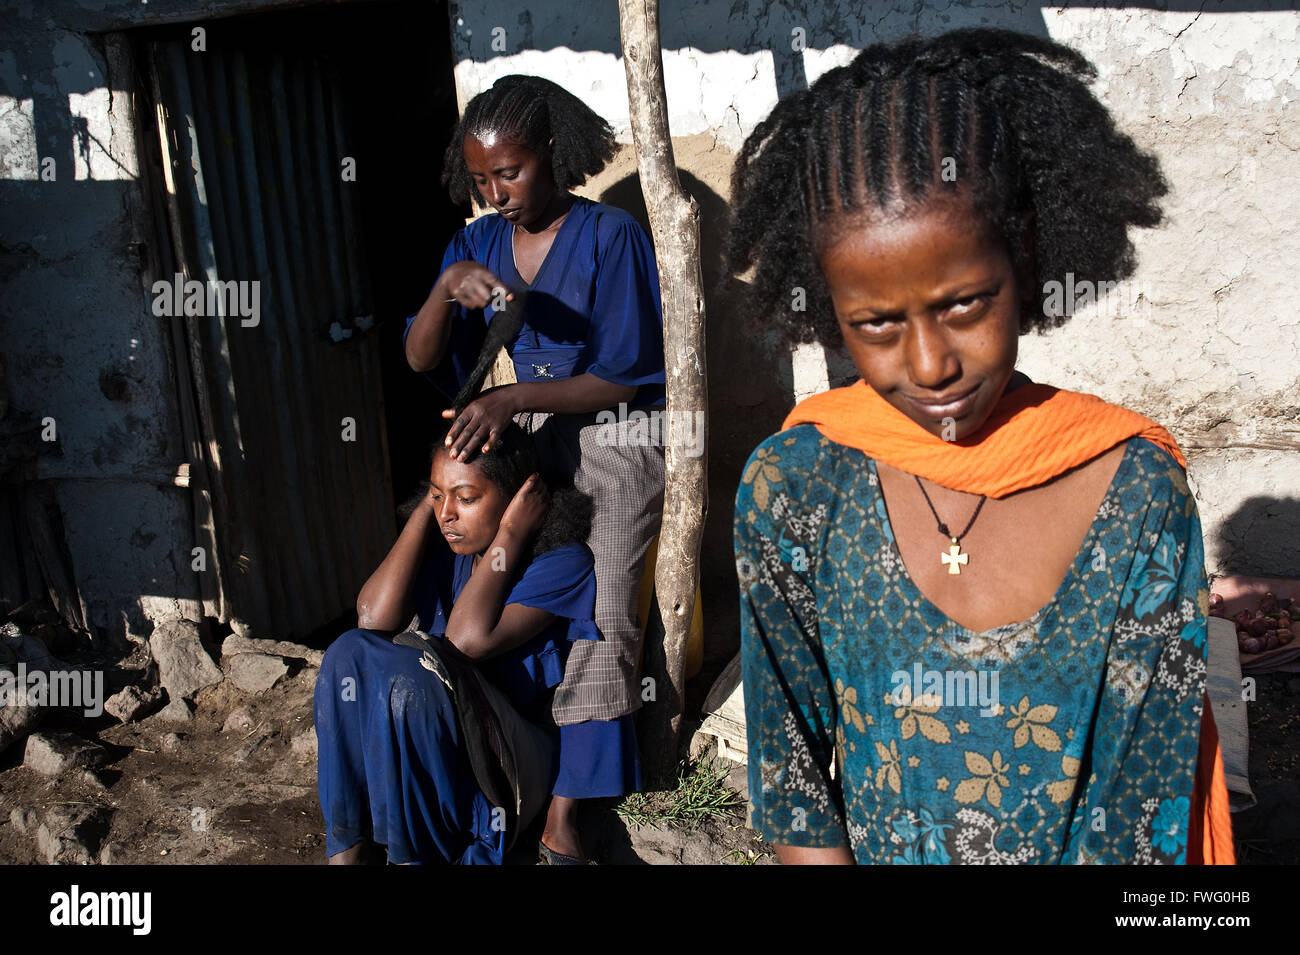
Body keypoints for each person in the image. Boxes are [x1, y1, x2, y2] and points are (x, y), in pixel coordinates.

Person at [727, 29, 1234, 864]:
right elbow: (793, 781)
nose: (931, 365)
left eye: (965, 302)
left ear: (1025, 254)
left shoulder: (1134, 491)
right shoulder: (798, 487)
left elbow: (1143, 811)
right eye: (877, 324)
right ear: (826, 310)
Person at [403, 75, 663, 863]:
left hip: (613, 430)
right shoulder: (476, 243)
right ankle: (481, 735)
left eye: (509, 172)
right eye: (480, 179)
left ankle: (567, 813)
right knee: (465, 548)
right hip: (524, 425)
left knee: (607, 594)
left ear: (552, 152)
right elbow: (421, 358)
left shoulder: (610, 235)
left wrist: (515, 395)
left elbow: (627, 373)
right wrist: (448, 290)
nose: (496, 193)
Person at [314, 424, 598, 864]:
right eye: (436, 495)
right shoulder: (449, 548)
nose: (448, 513)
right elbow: (371, 618)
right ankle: (348, 852)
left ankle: (416, 856)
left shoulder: (560, 562)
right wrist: (429, 508)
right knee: (347, 653)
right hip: (440, 736)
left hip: (509, 762)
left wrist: (512, 534)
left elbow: (465, 642)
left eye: (465, 499)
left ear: (518, 501)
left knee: (414, 682)